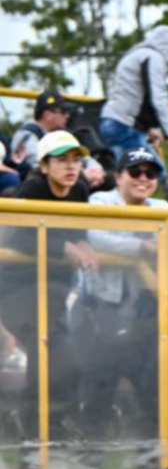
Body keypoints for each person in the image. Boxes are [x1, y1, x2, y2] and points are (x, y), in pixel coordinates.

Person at [0, 132, 97, 439]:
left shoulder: (79, 191)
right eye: (61, 160)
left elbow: (81, 233)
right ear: (43, 165)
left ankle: (44, 430)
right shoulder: (33, 187)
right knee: (54, 352)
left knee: (60, 357)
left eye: (76, 160)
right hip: (16, 289)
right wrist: (65, 247)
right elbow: (20, 235)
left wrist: (84, 243)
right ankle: (36, 430)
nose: (71, 167)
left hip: (53, 292)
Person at [80, 147, 168, 441]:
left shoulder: (161, 208)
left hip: (147, 314)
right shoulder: (100, 200)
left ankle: (152, 462)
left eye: (151, 172)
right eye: (135, 171)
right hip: (102, 309)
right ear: (118, 176)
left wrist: (161, 246)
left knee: (152, 389)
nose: (143, 178)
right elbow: (96, 238)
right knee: (99, 386)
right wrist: (143, 247)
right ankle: (88, 465)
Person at [100, 26, 168, 165]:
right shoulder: (154, 57)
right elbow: (158, 98)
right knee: (152, 171)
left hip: (111, 120)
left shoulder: (136, 55)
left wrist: (149, 128)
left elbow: (135, 94)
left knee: (126, 175)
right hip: (124, 125)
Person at [10, 90, 109, 192]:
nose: (67, 116)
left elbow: (85, 158)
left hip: (66, 180)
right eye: (63, 112)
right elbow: (38, 165)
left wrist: (96, 171)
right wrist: (82, 174)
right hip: (36, 188)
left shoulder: (62, 135)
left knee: (108, 180)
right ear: (48, 115)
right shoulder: (27, 134)